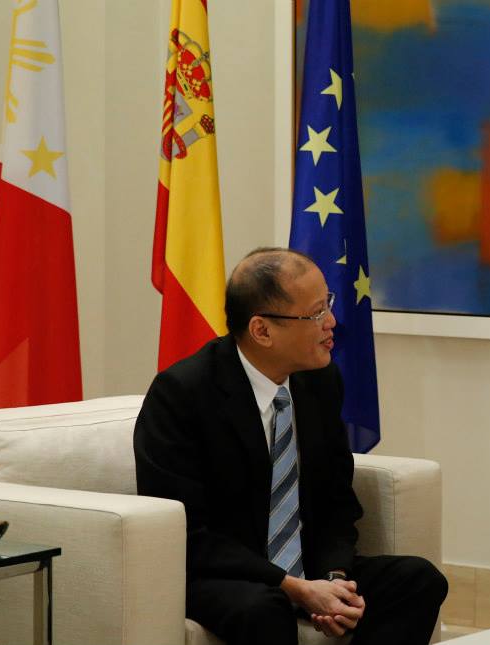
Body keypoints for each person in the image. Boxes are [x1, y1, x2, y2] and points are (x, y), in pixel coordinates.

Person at [135, 247, 447, 645]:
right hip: (224, 573)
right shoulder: (181, 394)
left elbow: (337, 502)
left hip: (308, 565)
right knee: (265, 609)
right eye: (316, 314)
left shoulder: (319, 382)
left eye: (327, 305)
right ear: (262, 330)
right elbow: (187, 533)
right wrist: (292, 587)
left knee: (417, 580)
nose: (331, 322)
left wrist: (333, 579)